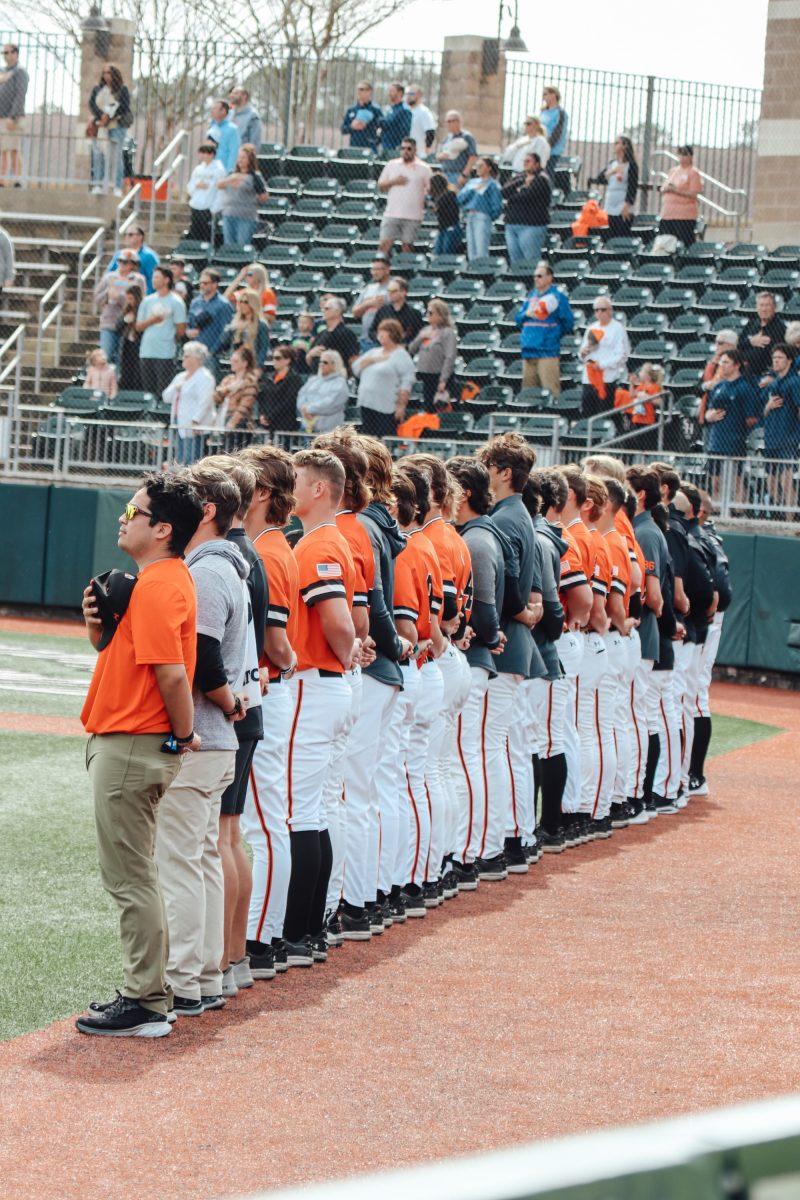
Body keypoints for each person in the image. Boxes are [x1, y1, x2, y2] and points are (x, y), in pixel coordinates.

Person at [76, 472, 204, 1037]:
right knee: (136, 874)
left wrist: (182, 734)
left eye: (136, 509)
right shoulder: (159, 579)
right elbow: (129, 660)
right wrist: (99, 631)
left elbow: (173, 676)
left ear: (163, 528)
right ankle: (150, 992)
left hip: (132, 743)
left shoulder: (157, 585)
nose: (126, 517)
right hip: (133, 739)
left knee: (130, 879)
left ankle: (147, 1000)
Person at [154, 463, 249, 1014]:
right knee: (203, 857)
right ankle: (206, 972)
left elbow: (204, 659)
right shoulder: (225, 566)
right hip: (218, 740)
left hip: (203, 739)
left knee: (183, 862)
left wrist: (222, 704)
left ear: (206, 511)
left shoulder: (208, 571)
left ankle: (185, 978)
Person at [283, 449, 358, 962]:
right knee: (317, 810)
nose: (290, 489)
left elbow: (338, 621)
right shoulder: (331, 540)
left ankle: (297, 931)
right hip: (329, 683)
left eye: (297, 481)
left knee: (300, 813)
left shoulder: (318, 545)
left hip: (316, 684)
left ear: (318, 490)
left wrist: (349, 651)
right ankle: (311, 929)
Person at [202, 454, 265, 995]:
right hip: (248, 702)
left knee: (221, 838)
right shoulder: (250, 554)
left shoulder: (232, 558)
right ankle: (233, 958)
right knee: (231, 834)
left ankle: (221, 961)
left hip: (233, 706)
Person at [239, 444, 299, 977]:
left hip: (271, 690)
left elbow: (277, 643)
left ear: (262, 492)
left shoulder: (270, 551)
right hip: (276, 690)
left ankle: (263, 937)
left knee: (264, 818)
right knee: (268, 815)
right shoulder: (271, 546)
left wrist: (290, 662)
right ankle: (267, 931)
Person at [475, 433, 542, 878]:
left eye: (488, 466)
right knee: (506, 747)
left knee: (493, 749)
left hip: (505, 643)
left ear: (503, 472)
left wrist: (522, 611)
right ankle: (516, 835)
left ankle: (503, 840)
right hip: (516, 641)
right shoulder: (518, 514)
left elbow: (513, 588)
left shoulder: (507, 517)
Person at [515, 261, 575, 394]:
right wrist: (526, 314)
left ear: (549, 278)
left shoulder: (557, 297)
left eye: (540, 276)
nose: (536, 279)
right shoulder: (531, 296)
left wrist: (552, 336)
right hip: (529, 351)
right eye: (535, 276)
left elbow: (568, 323)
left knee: (550, 391)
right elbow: (518, 319)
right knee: (528, 393)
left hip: (547, 352)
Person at [702, 349, 759, 490]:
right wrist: (708, 416)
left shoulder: (745, 387)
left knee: (736, 481)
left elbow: (751, 418)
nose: (722, 365)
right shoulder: (718, 387)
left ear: (736, 365)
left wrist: (736, 425)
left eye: (726, 362)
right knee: (714, 482)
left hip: (735, 442)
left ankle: (738, 511)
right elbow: (709, 410)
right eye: (721, 362)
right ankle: (715, 510)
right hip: (716, 441)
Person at [352, 318, 415, 436]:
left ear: (392, 333)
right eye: (378, 331)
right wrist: (372, 360)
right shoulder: (374, 352)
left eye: (383, 331)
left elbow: (407, 380)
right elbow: (356, 368)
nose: (379, 334)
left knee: (383, 439)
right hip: (366, 403)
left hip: (385, 407)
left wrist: (401, 405)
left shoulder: (401, 355)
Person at [135, 265, 186, 397]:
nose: (153, 280)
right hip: (147, 351)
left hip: (166, 353)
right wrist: (153, 320)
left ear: (167, 280)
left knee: (163, 391)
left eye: (157, 277)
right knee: (148, 391)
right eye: (153, 277)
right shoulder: (147, 301)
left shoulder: (176, 302)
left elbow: (181, 329)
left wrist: (168, 338)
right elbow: (138, 326)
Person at [163, 340, 216, 464]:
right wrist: (176, 388)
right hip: (179, 422)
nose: (183, 358)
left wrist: (196, 420)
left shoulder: (205, 377)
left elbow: (205, 401)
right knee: (181, 458)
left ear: (196, 359)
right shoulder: (180, 376)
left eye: (186, 356)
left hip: (194, 425)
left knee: (193, 459)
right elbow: (166, 397)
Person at [761, 343, 800, 508]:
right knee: (770, 481)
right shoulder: (773, 383)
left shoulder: (795, 382)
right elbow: (763, 413)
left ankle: (790, 519)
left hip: (788, 439)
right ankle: (777, 512)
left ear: (789, 360)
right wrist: (768, 406)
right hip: (771, 438)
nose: (776, 361)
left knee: (786, 480)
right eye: (774, 358)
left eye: (780, 358)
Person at [377, 136, 432, 254]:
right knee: (384, 246)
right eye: (403, 148)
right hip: (392, 213)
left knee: (407, 247)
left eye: (409, 149)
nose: (405, 151)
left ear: (415, 150)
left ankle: (404, 271)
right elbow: (381, 186)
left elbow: (430, 189)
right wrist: (394, 181)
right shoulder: (392, 165)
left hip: (413, 216)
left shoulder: (424, 168)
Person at [579, 297, 631, 417]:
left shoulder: (617, 328)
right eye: (596, 310)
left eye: (603, 309)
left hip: (606, 379)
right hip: (589, 378)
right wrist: (583, 353)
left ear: (610, 310)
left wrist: (602, 364)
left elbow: (622, 355)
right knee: (587, 415)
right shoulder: (592, 328)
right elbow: (582, 353)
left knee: (605, 415)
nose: (599, 313)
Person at [94, 248, 145, 364]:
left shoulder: (138, 280)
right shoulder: (109, 277)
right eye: (121, 261)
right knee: (106, 356)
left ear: (133, 264)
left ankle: (119, 381)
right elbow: (97, 298)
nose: (123, 264)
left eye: (127, 262)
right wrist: (107, 295)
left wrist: (121, 297)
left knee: (123, 359)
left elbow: (140, 301)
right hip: (110, 320)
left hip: (128, 323)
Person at [88, 62, 132, 196]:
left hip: (117, 126)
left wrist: (110, 116)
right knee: (98, 154)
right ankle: (97, 184)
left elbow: (124, 107)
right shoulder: (98, 89)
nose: (106, 75)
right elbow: (92, 104)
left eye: (109, 73)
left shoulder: (122, 89)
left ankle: (117, 186)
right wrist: (102, 116)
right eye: (104, 73)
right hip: (101, 126)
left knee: (116, 156)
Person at [502, 150, 552, 264]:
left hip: (531, 226)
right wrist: (522, 183)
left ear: (537, 164)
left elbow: (527, 197)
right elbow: (504, 191)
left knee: (530, 261)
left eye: (528, 161)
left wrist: (515, 194)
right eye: (524, 161)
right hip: (512, 224)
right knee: (515, 261)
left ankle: (532, 282)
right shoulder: (520, 176)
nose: (525, 164)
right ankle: (519, 281)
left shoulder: (542, 178)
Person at [409, 297, 457, 411]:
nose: (427, 314)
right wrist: (421, 338)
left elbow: (449, 357)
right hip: (426, 377)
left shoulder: (447, 332)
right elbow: (411, 349)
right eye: (427, 312)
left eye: (431, 312)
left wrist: (443, 380)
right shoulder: (425, 330)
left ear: (440, 315)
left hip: (439, 377)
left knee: (438, 408)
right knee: (428, 408)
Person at [217, 143, 268, 247]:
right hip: (228, 214)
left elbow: (264, 196)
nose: (240, 160)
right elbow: (219, 185)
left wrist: (252, 199)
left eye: (243, 158)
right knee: (228, 245)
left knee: (242, 245)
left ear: (250, 160)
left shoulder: (254, 176)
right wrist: (232, 178)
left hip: (246, 216)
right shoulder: (232, 174)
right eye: (239, 157)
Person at [590, 136, 639, 238]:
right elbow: (600, 178)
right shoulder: (613, 163)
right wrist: (613, 171)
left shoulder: (631, 165)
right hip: (611, 201)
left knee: (621, 232)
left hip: (622, 202)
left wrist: (627, 204)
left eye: (617, 143)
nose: (615, 146)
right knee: (609, 232)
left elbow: (632, 187)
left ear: (625, 146)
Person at [456, 156, 502, 261]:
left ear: (489, 168)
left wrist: (488, 216)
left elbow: (497, 206)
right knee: (471, 248)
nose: (478, 168)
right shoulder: (472, 182)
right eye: (477, 166)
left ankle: (482, 270)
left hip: (482, 216)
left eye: (481, 166)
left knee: (481, 248)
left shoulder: (493, 184)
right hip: (470, 215)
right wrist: (472, 190)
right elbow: (460, 199)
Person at [658, 145, 703, 248]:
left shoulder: (693, 172)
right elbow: (664, 187)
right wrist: (666, 189)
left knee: (683, 244)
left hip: (684, 216)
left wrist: (676, 190)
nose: (682, 157)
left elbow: (694, 193)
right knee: (665, 244)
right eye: (680, 154)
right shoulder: (673, 171)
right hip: (668, 214)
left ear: (691, 156)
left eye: (685, 155)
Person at [186, 268, 234, 364]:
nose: (202, 285)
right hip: (194, 353)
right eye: (201, 283)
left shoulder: (223, 305)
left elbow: (226, 332)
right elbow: (189, 323)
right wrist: (188, 332)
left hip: (213, 356)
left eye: (205, 283)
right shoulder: (195, 302)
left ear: (215, 284)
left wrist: (211, 352)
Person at [212, 345, 261, 438]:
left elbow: (245, 406)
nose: (232, 363)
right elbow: (216, 398)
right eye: (232, 360)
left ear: (245, 363)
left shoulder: (250, 382)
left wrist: (232, 422)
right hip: (223, 418)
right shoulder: (228, 379)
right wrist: (228, 388)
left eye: (236, 361)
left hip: (239, 424)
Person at [296, 350, 349, 433]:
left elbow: (331, 404)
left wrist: (309, 409)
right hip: (307, 429)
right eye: (320, 362)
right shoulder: (313, 380)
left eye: (325, 362)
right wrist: (303, 409)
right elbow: (301, 395)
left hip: (329, 432)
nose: (321, 364)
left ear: (334, 364)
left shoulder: (340, 383)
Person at [306, 295, 359, 372]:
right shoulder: (321, 334)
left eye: (327, 308)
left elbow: (353, 359)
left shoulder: (346, 333)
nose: (323, 310)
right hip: (318, 377)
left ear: (337, 311)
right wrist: (310, 355)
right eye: (323, 308)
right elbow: (310, 360)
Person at [220, 287, 270, 367]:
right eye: (241, 301)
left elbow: (263, 349)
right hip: (235, 364)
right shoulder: (234, 321)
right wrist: (233, 328)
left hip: (252, 364)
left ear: (253, 304)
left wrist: (257, 368)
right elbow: (223, 342)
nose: (242, 304)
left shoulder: (261, 325)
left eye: (246, 302)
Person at [187, 143, 227, 243]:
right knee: (195, 233)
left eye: (206, 153)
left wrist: (215, 207)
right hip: (196, 205)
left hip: (209, 207)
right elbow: (190, 186)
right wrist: (197, 185)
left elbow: (221, 191)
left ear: (212, 154)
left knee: (207, 234)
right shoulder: (198, 169)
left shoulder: (219, 170)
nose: (203, 155)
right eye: (201, 153)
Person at [367, 275, 424, 346]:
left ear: (403, 292)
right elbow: (372, 331)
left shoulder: (414, 313)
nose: (390, 294)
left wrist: (405, 344)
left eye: (393, 291)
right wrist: (381, 338)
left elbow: (419, 334)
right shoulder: (383, 310)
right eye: (388, 291)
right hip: (384, 348)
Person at [0, 43, 28, 186]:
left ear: (16, 53)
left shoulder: (20, 72)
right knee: (3, 150)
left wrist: (12, 116)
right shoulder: (2, 71)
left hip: (13, 118)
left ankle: (17, 180)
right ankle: (2, 180)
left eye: (11, 52)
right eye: (4, 53)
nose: (8, 55)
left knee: (14, 149)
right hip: (1, 117)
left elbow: (20, 95)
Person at [741, 292, 786, 378]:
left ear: (774, 307)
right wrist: (751, 342)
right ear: (757, 308)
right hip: (744, 373)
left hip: (764, 375)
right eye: (761, 305)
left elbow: (781, 357)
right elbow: (738, 345)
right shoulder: (751, 324)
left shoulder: (781, 329)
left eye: (767, 305)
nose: (764, 309)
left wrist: (771, 375)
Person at [351, 252, 391, 351]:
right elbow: (355, 313)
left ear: (387, 270)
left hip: (385, 340)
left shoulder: (393, 287)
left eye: (378, 269)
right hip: (366, 340)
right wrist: (368, 304)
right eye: (373, 269)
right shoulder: (368, 288)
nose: (374, 272)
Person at [258, 345, 301, 435]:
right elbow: (262, 398)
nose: (274, 361)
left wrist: (270, 416)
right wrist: (262, 414)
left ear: (288, 360)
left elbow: (289, 401)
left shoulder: (294, 378)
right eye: (272, 358)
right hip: (267, 423)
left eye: (277, 358)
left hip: (285, 424)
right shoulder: (268, 377)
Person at [108, 226, 159, 293]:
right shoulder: (119, 254)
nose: (126, 237)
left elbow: (153, 279)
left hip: (138, 295)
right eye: (125, 234)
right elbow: (109, 273)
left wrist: (144, 297)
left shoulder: (149, 256)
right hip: (117, 294)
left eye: (130, 234)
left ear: (140, 237)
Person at [436, 110, 478, 189]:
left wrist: (464, 175)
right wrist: (440, 156)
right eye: (446, 122)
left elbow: (473, 157)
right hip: (445, 174)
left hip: (458, 174)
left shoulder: (466, 137)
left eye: (450, 121)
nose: (447, 124)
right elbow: (438, 156)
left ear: (458, 122)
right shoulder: (447, 138)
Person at [341, 81, 382, 150]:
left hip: (370, 147)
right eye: (359, 89)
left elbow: (383, 127)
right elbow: (343, 129)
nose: (360, 92)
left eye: (363, 89)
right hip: (354, 146)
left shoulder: (375, 110)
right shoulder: (351, 110)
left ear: (370, 92)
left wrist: (377, 141)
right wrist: (352, 127)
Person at [429, 172, 462, 255]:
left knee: (446, 252)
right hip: (443, 228)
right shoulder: (437, 196)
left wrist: (437, 208)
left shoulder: (449, 194)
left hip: (451, 227)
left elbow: (450, 212)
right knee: (437, 252)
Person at [118, 285, 143, 391]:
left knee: (137, 371)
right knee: (126, 370)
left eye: (131, 299)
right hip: (127, 345)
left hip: (139, 345)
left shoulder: (142, 310)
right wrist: (125, 320)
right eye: (127, 299)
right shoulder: (127, 310)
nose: (129, 301)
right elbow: (117, 327)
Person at [540, 86, 569, 179]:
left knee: (547, 176)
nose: (543, 97)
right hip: (540, 150)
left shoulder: (561, 113)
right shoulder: (543, 112)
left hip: (552, 152)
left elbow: (558, 133)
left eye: (545, 94)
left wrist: (547, 146)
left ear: (553, 95)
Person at [207, 98, 240, 173]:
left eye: (215, 108)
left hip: (224, 170)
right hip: (210, 170)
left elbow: (234, 152)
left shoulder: (232, 129)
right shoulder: (212, 128)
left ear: (223, 111)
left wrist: (229, 172)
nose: (212, 111)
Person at [380, 81, 412, 153]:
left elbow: (405, 131)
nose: (389, 93)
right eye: (389, 91)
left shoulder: (405, 109)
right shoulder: (390, 108)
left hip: (396, 148)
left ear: (400, 93)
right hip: (385, 147)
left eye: (392, 91)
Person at [405, 85, 436, 154]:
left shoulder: (424, 111)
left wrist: (427, 149)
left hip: (419, 153)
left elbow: (430, 132)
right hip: (407, 153)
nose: (408, 96)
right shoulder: (407, 111)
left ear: (419, 95)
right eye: (407, 94)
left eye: (411, 94)